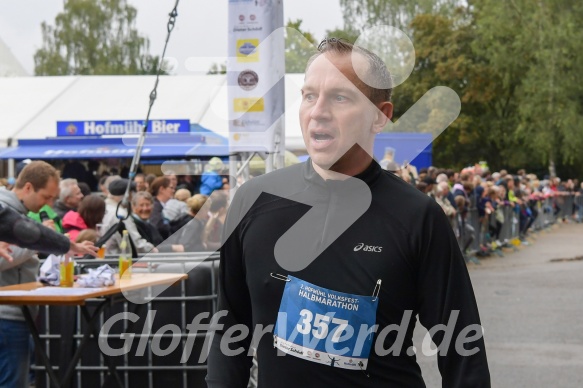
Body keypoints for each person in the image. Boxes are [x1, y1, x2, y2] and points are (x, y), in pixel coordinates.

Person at [206, 38, 490, 387]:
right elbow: (229, 328)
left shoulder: (418, 217)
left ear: (380, 116)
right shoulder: (254, 201)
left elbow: (464, 356)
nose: (318, 111)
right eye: (310, 95)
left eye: (340, 97)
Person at [0, 161, 97, 387]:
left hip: (17, 313)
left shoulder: (17, 212)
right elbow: (9, 256)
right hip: (7, 315)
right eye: (47, 197)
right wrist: (39, 245)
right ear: (28, 188)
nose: (50, 204)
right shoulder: (7, 211)